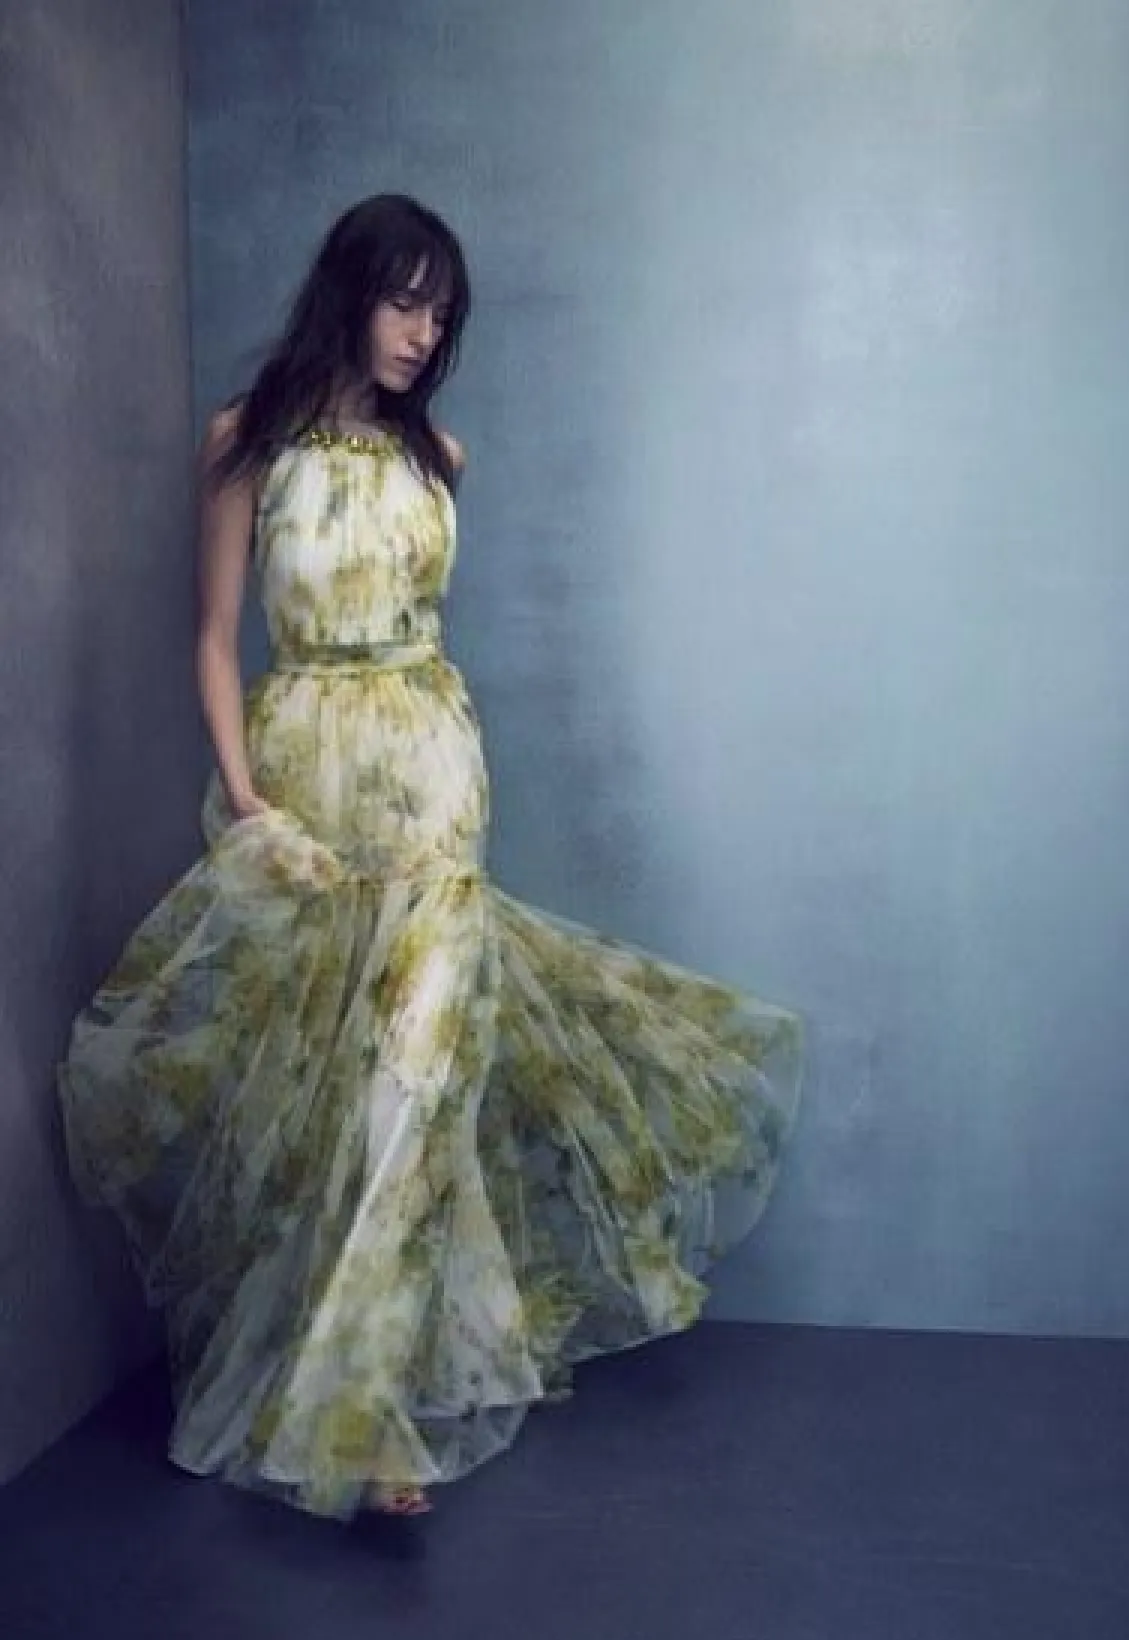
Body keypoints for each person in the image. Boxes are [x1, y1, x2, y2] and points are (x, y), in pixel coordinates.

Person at [57, 193, 805, 1525]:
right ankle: (360, 1373)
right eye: (404, 302)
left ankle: (360, 1420)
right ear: (348, 292)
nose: (422, 332)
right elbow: (215, 638)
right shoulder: (246, 443)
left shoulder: (438, 456)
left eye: (440, 312)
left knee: (419, 1079)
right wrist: (248, 802)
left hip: (435, 779)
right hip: (307, 786)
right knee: (333, 1087)